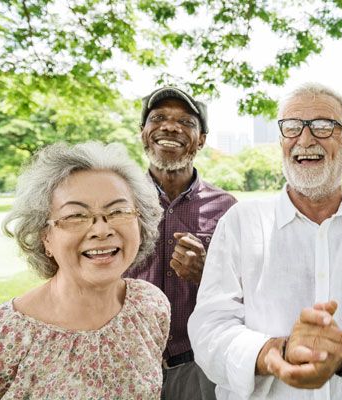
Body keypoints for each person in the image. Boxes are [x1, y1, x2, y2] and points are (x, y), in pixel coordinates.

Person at [188, 83, 342, 399]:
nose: (305, 139)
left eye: (323, 126)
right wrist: (276, 352)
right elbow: (210, 329)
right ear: (281, 141)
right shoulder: (240, 224)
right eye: (292, 127)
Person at [0, 142, 169, 399]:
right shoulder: (7, 335)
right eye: (75, 216)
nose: (102, 230)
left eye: (118, 211)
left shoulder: (150, 305)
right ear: (45, 237)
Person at [124, 86, 237, 399]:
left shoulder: (228, 207)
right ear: (143, 133)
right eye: (158, 118)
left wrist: (206, 272)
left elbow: (247, 293)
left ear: (201, 139)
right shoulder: (117, 200)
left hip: (197, 365)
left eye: (186, 122)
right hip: (126, 360)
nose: (170, 127)